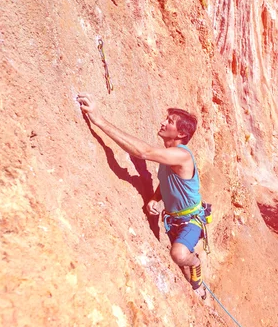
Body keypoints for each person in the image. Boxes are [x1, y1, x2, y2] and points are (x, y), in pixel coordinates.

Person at [77, 93, 207, 298]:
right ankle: (190, 268)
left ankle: (196, 263)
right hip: (174, 220)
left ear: (181, 134)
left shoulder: (181, 155)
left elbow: (143, 152)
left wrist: (99, 120)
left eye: (170, 122)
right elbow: (167, 182)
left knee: (179, 254)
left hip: (190, 221)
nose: (163, 123)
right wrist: (156, 198)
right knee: (178, 256)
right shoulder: (169, 156)